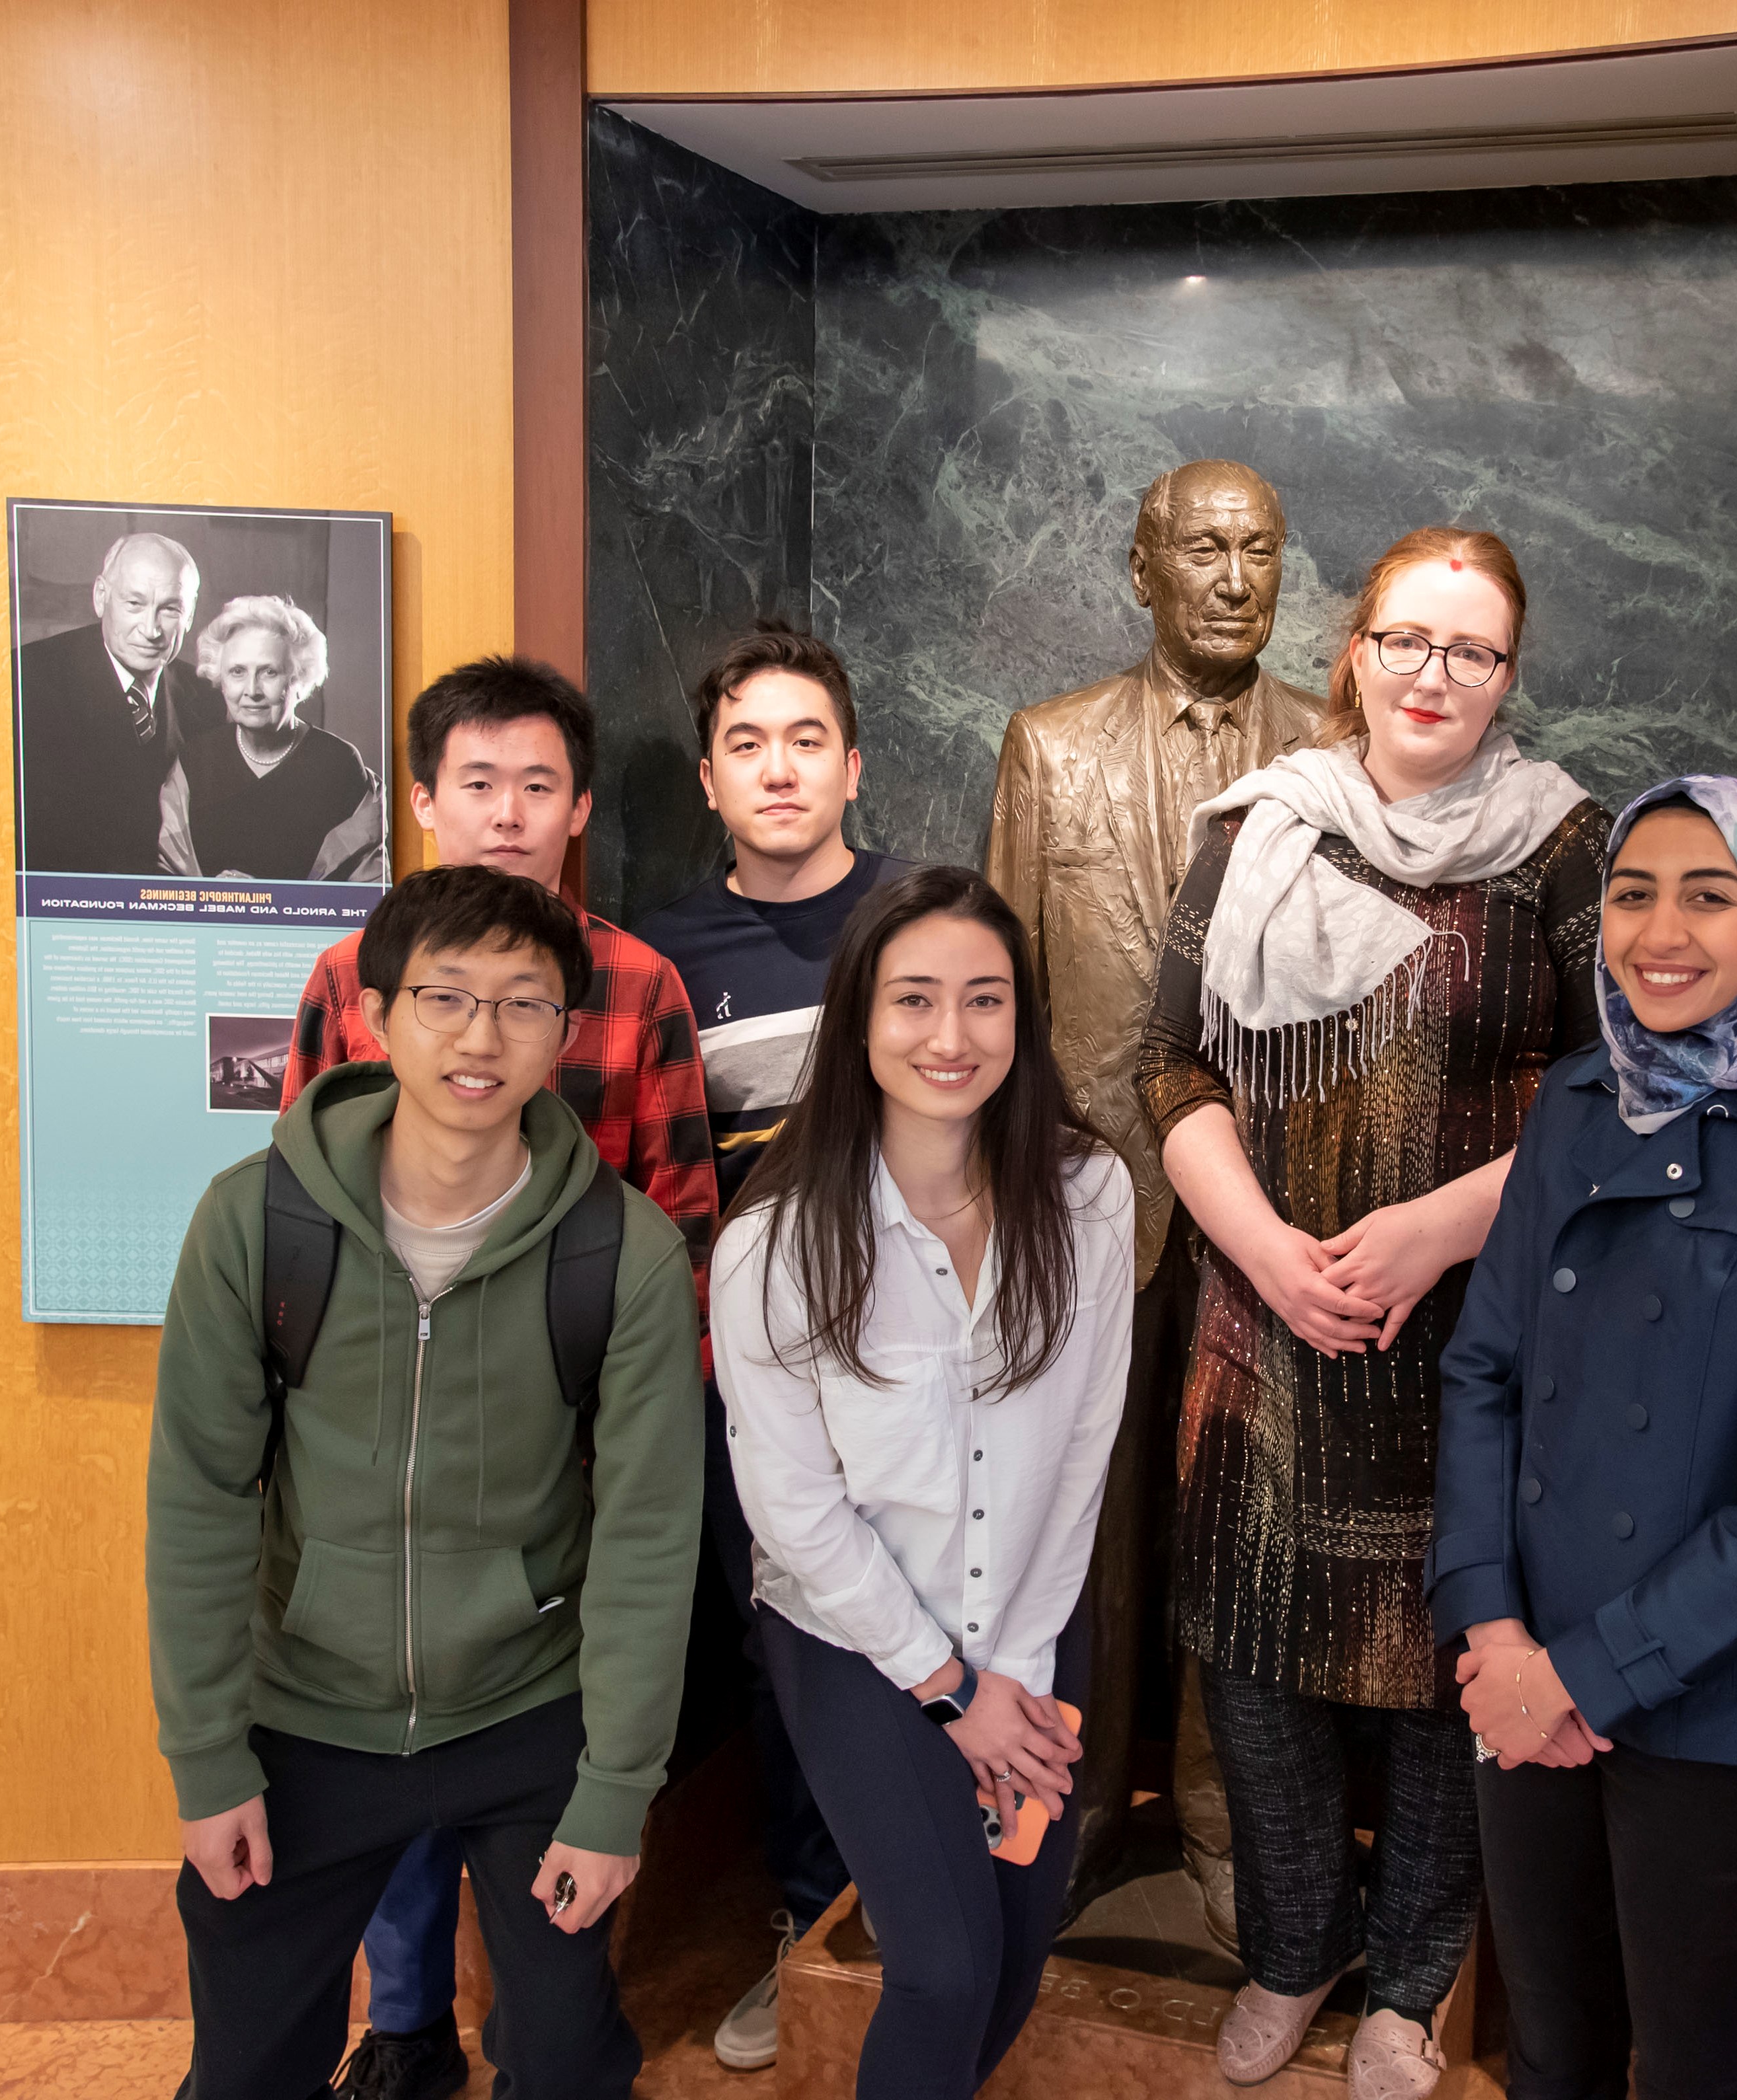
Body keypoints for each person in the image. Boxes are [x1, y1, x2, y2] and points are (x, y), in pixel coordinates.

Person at [1136, 525, 1606, 2100]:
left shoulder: (1563, 848)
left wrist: (1436, 1230)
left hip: (1471, 1340)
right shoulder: (1261, 828)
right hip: (1262, 1332)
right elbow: (1168, 1064)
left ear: (1507, 678)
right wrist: (1268, 1250)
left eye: (1470, 651)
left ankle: (1407, 1986)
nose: (1434, 675)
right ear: (1354, 649)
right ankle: (1294, 1952)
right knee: (1252, 1675)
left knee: (1443, 1681)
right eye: (1407, 640)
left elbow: (1618, 1092)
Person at [145, 862, 705, 2100]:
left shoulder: (624, 1249)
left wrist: (615, 1791)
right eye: (445, 997)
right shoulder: (254, 1222)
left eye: (522, 1003)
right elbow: (199, 1496)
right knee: (245, 2066)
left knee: (564, 2062)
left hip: (528, 1709)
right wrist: (209, 1759)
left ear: (564, 1032)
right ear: (377, 1014)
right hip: (304, 1714)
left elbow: (651, 1532)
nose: (480, 1036)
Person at [1430, 777, 1737, 2099]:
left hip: (1713, 1711)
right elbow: (1482, 1367)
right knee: (1549, 2050)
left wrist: (1582, 1676)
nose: (1661, 929)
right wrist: (1491, 1634)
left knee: (1700, 2070)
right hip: (1521, 1678)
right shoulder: (1574, 1103)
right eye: (1631, 891)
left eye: (1709, 894)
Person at [282, 656, 719, 2100]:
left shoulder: (637, 983)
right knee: (385, 1727)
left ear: (580, 806)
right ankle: (402, 2021)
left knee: (554, 1742)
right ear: (422, 800)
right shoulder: (348, 981)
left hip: (572, 1453)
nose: (509, 813)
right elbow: (297, 1219)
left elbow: (684, 1227)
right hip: (380, 1452)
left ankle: (550, 2023)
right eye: (478, 783)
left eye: (539, 785)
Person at [713, 864, 1133, 2100]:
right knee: (942, 1969)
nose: (951, 1036)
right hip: (855, 1640)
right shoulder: (775, 1239)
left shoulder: (1089, 1194)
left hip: (1032, 1630)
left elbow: (1083, 1446)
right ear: (857, 1019)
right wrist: (953, 1690)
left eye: (985, 1000)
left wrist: (1018, 1666)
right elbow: (792, 1505)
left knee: (1007, 1966)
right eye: (913, 1000)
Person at [984, 458, 1326, 1924]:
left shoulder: (1337, 745)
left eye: (1259, 548)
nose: (1235, 575)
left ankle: (1220, 1819)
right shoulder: (1048, 750)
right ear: (1144, 568)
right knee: (1077, 1526)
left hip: (1277, 1213)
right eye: (1204, 548)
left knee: (1242, 1532)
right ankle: (1063, 1813)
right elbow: (997, 997)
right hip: (1093, 1211)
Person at [633, 621, 907, 2070]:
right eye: (749, 741)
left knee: (931, 1628)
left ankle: (925, 1917)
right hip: (752, 1389)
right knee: (787, 1653)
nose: (780, 766)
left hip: (922, 1374)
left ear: (853, 763)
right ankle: (804, 1929)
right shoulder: (662, 957)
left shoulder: (923, 919)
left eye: (808, 737)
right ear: (708, 775)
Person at [15, 530, 227, 874]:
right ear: (101, 597)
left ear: (189, 616)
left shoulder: (210, 699)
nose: (151, 629)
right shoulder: (27, 682)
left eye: (170, 609)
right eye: (135, 604)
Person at [157, 595, 387, 882]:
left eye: (269, 672)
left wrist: (272, 901)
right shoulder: (196, 760)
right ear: (221, 679)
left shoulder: (340, 765)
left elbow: (367, 891)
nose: (252, 690)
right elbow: (167, 881)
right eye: (237, 672)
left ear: (299, 679)